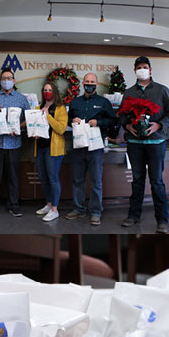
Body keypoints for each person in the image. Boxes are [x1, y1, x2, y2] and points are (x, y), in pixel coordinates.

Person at [120, 56, 169, 232]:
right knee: (137, 180)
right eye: (139, 67)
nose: (142, 70)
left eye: (145, 67)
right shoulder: (128, 92)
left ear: (150, 70)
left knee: (157, 182)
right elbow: (122, 115)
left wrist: (159, 124)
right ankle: (133, 216)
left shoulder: (162, 90)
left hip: (156, 142)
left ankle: (162, 220)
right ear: (135, 71)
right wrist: (127, 125)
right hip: (135, 143)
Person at [65, 72, 117, 226]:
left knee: (96, 181)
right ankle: (79, 209)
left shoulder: (104, 102)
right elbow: (67, 120)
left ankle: (95, 211)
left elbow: (113, 120)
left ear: (97, 84)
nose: (89, 84)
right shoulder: (75, 102)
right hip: (79, 146)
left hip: (95, 148)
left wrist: (99, 122)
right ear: (82, 84)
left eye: (92, 81)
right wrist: (71, 120)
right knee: (77, 180)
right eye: (87, 81)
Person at [0, 69, 29, 218]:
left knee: (14, 177)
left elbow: (28, 119)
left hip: (14, 143)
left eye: (9, 78)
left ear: (14, 81)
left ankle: (14, 205)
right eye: (4, 78)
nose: (6, 80)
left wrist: (18, 128)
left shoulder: (21, 99)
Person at [33, 81, 68, 223]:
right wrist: (33, 132)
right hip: (40, 147)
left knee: (53, 178)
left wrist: (48, 116)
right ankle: (48, 204)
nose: (47, 92)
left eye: (50, 90)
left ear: (54, 92)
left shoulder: (60, 108)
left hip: (54, 149)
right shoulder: (37, 107)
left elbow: (61, 129)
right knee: (43, 177)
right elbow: (34, 125)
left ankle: (55, 209)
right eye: (45, 90)